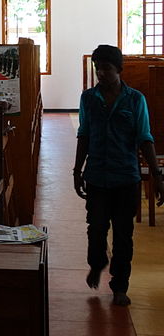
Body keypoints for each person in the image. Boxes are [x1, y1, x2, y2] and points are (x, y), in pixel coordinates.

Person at [73, 45, 164, 307]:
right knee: (97, 228)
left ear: (119, 70)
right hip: (98, 176)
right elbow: (84, 135)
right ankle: (97, 263)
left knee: (124, 234)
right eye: (97, 68)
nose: (100, 73)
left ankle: (120, 285)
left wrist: (156, 177)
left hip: (126, 177)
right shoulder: (89, 99)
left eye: (106, 68)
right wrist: (77, 170)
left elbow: (145, 138)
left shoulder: (135, 100)